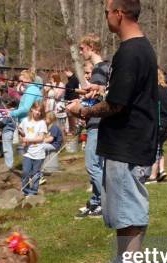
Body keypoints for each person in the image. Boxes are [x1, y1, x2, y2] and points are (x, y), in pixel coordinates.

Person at [67, 0, 158, 263]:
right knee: (119, 206)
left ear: (119, 13)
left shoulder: (130, 52)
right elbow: (122, 93)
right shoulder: (136, 48)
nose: (106, 17)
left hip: (128, 140)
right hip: (126, 139)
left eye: (107, 12)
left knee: (129, 206)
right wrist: (99, 90)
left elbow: (117, 105)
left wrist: (84, 110)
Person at [76, 33, 110, 219]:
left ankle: (105, 202)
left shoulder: (98, 68)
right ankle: (97, 201)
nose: (81, 52)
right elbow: (102, 92)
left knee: (92, 165)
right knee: (100, 165)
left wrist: (79, 104)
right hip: (104, 123)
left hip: (97, 123)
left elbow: (97, 97)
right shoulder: (107, 66)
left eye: (82, 49)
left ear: (90, 47)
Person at [146, 66, 167, 184]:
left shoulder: (154, 91)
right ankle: (161, 170)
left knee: (155, 149)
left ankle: (152, 175)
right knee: (160, 147)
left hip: (159, 123)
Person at [19, 102, 47, 196]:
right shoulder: (25, 121)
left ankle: (34, 191)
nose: (38, 112)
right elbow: (21, 132)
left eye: (40, 111)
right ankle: (25, 190)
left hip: (39, 153)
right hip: (28, 153)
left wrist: (29, 140)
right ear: (32, 109)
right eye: (36, 110)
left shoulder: (42, 123)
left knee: (35, 173)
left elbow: (41, 138)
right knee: (25, 172)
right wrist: (22, 138)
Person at [64, 68, 80, 134]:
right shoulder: (70, 79)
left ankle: (74, 130)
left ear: (69, 71)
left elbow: (72, 89)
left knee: (72, 116)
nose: (65, 74)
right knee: (69, 116)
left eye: (65, 72)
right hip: (68, 99)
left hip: (73, 99)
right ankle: (71, 130)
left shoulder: (74, 79)